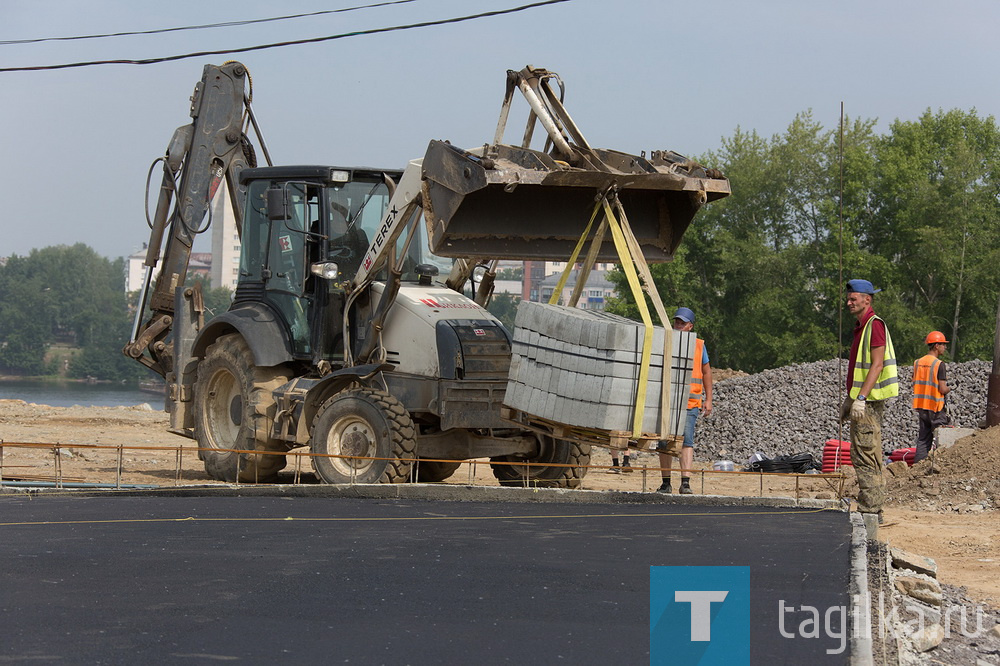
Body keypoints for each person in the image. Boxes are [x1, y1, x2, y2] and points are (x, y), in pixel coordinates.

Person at [840, 279, 898, 528]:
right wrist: (849, 399)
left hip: (870, 402)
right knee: (863, 453)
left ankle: (871, 511)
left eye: (854, 298)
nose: (849, 302)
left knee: (866, 455)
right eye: (849, 298)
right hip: (863, 400)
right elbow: (860, 369)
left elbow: (876, 365)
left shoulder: (874, 326)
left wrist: (861, 398)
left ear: (868, 299)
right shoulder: (862, 327)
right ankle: (871, 508)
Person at [656, 307, 713, 494]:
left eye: (682, 323)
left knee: (687, 442)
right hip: (667, 402)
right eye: (676, 322)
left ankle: (685, 482)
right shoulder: (667, 341)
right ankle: (666, 483)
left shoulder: (698, 345)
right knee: (664, 442)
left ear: (690, 326)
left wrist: (709, 399)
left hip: (690, 403)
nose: (678, 325)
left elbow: (706, 372)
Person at [912, 331, 951, 463]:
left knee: (923, 439)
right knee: (941, 438)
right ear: (936, 346)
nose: (944, 347)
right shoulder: (939, 364)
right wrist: (951, 388)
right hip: (936, 407)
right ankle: (940, 465)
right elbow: (942, 388)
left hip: (922, 407)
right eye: (943, 345)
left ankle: (918, 466)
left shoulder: (917, 362)